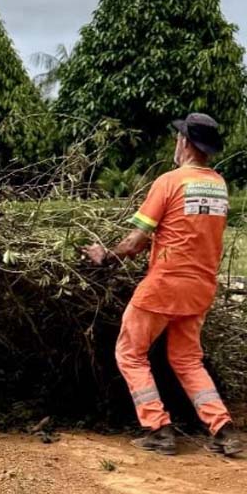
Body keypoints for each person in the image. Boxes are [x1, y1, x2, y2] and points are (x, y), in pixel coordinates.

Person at [85, 113, 243, 457]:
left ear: (184, 142)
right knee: (187, 359)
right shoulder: (219, 184)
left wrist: (105, 254)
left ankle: (158, 428)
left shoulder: (170, 182)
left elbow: (136, 242)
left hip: (165, 284)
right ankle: (224, 429)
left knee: (130, 352)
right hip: (201, 285)